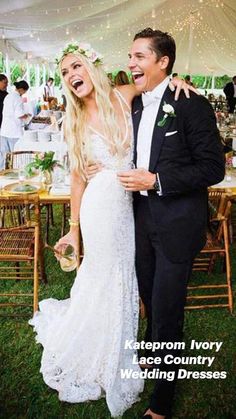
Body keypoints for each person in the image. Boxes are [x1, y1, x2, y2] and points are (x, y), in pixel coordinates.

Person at [29, 41, 193, 417]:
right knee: (104, 274)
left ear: (90, 67)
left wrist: (181, 82)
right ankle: (101, 348)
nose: (72, 77)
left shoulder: (123, 94)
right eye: (65, 73)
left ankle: (122, 341)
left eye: (75, 67)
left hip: (131, 206)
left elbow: (156, 82)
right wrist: (73, 231)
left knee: (127, 272)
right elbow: (75, 180)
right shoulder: (73, 120)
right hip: (99, 208)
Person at [116, 28, 225, 419]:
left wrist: (157, 181)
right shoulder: (135, 104)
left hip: (178, 222)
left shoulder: (191, 103)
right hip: (141, 218)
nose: (131, 63)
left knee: (167, 308)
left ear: (163, 62)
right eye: (130, 56)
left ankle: (162, 401)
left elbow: (212, 167)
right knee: (148, 295)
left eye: (140, 56)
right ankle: (150, 348)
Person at [0, 80, 30, 169]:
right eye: (25, 91)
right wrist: (27, 115)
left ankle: (2, 174)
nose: (24, 94)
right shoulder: (17, 98)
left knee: (4, 155)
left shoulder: (8, 96)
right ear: (21, 89)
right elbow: (19, 114)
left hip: (4, 130)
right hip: (14, 132)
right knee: (15, 155)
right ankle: (14, 173)